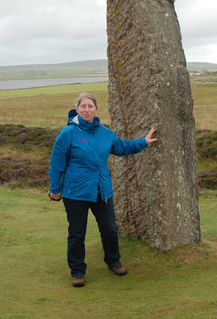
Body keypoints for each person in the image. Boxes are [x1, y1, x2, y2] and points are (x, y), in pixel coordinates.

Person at [48, 92, 158, 287]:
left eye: (90, 106)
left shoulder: (104, 132)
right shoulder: (68, 133)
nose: (87, 110)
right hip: (75, 193)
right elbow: (57, 164)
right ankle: (77, 271)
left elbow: (121, 147)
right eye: (83, 106)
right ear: (77, 109)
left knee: (109, 229)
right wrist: (55, 189)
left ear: (96, 109)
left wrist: (143, 141)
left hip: (102, 191)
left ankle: (113, 261)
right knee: (77, 233)